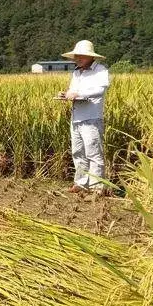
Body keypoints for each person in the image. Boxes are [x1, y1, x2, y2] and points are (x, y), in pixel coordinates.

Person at [57, 40, 110, 195]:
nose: (78, 58)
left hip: (91, 118)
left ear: (90, 57)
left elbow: (100, 90)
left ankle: (97, 187)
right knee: (78, 152)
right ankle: (81, 184)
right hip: (76, 118)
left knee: (93, 154)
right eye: (76, 56)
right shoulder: (76, 72)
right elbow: (73, 90)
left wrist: (79, 94)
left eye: (81, 56)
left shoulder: (100, 70)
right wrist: (66, 94)